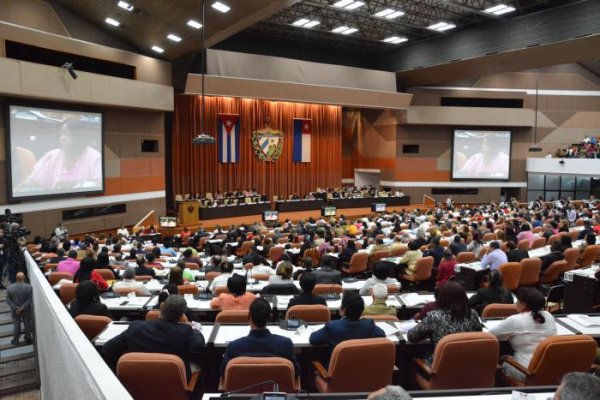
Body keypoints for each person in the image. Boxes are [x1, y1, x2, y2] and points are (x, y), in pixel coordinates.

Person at [102, 295, 205, 378]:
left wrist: (118, 376)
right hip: (171, 388)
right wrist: (193, 328)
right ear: (182, 315)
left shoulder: (135, 327)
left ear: (161, 306)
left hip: (135, 388)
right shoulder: (185, 331)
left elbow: (107, 349)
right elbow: (199, 344)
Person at [489, 287, 557, 382]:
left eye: (517, 301)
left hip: (525, 372)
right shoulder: (549, 315)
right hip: (548, 369)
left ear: (524, 305)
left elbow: (490, 335)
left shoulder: (515, 320)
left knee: (502, 357)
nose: (516, 303)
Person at [220, 298, 300, 377]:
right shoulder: (285, 344)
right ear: (270, 317)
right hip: (277, 389)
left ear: (248, 317)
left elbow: (223, 374)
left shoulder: (234, 347)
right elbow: (297, 372)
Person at [407, 281, 482, 365]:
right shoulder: (473, 314)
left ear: (441, 298)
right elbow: (479, 334)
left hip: (441, 367)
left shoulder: (434, 316)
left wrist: (429, 332)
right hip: (468, 366)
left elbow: (411, 336)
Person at [15, 121, 102, 192]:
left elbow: (99, 184)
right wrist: (28, 183)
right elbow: (36, 179)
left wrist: (74, 185)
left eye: (67, 134)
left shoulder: (95, 157)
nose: (62, 138)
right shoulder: (51, 156)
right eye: (60, 134)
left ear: (79, 136)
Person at [310, 291, 386, 358]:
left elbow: (313, 339)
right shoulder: (369, 325)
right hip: (363, 369)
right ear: (362, 310)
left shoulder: (332, 326)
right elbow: (382, 335)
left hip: (338, 371)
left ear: (344, 310)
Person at [7, 272, 32, 345]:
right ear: (24, 278)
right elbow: (29, 299)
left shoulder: (9, 288)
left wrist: (16, 308)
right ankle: (28, 338)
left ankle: (16, 340)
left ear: (16, 278)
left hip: (15, 310)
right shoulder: (29, 287)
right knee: (27, 325)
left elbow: (8, 300)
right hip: (26, 309)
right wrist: (22, 307)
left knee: (16, 326)